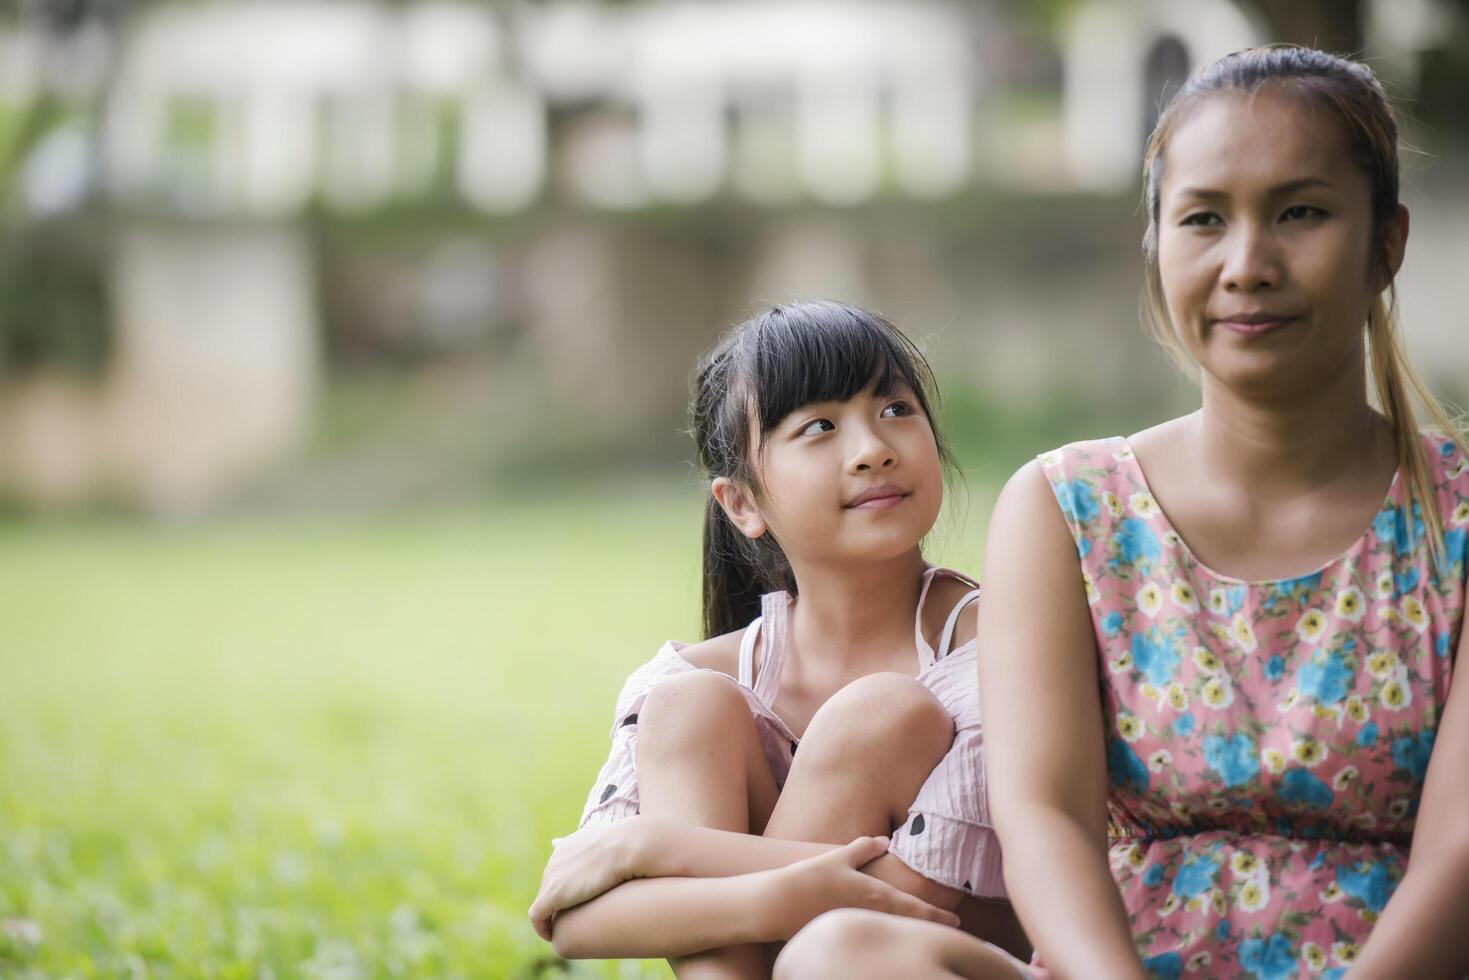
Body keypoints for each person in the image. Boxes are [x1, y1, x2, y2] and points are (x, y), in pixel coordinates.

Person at [775, 46, 1469, 980]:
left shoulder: (1454, 516)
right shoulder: (1069, 509)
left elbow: (1457, 855)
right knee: (839, 955)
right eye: (1202, 220)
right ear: (1156, 247)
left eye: (1299, 212)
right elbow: (1045, 818)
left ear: (1386, 241)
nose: (1246, 263)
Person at [528, 300, 1029, 978]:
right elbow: (575, 917)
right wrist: (778, 891)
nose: (873, 449)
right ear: (742, 504)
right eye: (819, 426)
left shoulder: (999, 644)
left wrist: (650, 851)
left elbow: (916, 897)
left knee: (880, 716)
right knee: (688, 706)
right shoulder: (689, 680)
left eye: (895, 410)